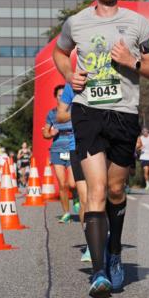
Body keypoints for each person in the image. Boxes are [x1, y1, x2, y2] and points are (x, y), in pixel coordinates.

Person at [53, 0, 149, 298]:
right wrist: (68, 75)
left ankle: (115, 252)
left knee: (116, 191)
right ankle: (99, 272)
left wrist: (131, 61)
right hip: (88, 112)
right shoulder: (76, 23)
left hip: (124, 113)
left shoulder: (138, 24)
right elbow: (60, 52)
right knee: (96, 190)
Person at [56, 85, 91, 262]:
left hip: (103, 145)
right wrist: (79, 114)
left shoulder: (107, 79)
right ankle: (91, 244)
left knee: (105, 196)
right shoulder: (72, 85)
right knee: (85, 199)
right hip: (76, 147)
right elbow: (60, 116)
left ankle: (108, 240)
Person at [43, 84, 78, 224]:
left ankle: (76, 197)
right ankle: (66, 213)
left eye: (64, 95)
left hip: (72, 148)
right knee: (62, 184)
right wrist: (50, 133)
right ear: (55, 97)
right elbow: (45, 133)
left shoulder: (74, 111)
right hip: (57, 150)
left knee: (73, 184)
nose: (62, 98)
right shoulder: (52, 114)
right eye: (59, 96)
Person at [137, 127, 149, 191]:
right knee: (146, 170)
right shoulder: (140, 138)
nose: (144, 132)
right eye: (143, 131)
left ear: (148, 131)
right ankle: (147, 184)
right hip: (144, 156)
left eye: (146, 131)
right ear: (142, 132)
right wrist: (140, 148)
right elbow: (137, 147)